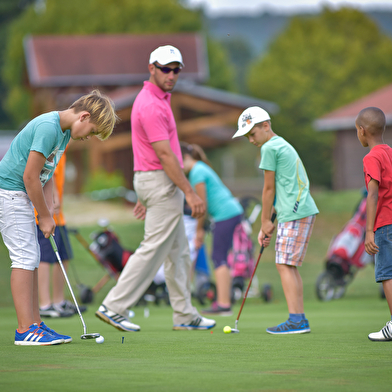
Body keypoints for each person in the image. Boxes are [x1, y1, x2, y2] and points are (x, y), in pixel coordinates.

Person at [95, 45, 216, 331]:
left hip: (154, 181)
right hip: (160, 180)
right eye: (165, 68)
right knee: (153, 248)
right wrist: (189, 191)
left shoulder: (158, 100)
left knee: (179, 252)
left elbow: (147, 153)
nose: (171, 74)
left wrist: (143, 194)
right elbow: (164, 155)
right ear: (152, 68)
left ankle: (185, 315)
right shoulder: (151, 105)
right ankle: (113, 306)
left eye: (176, 69)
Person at [0, 90, 118, 345]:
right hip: (9, 193)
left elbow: (47, 172)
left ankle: (35, 324)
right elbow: (30, 176)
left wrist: (51, 208)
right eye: (92, 131)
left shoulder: (63, 134)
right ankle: (24, 330)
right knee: (24, 257)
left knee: (32, 258)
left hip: (20, 195)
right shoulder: (48, 127)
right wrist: (43, 216)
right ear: (84, 116)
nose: (88, 137)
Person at [233, 106, 319, 334]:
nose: (250, 140)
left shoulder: (270, 147)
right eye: (247, 136)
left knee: (284, 264)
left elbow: (269, 188)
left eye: (252, 134)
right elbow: (283, 188)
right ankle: (298, 318)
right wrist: (269, 222)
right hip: (298, 209)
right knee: (289, 265)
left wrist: (263, 222)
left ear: (265, 126)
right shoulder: (281, 144)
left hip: (295, 211)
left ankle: (296, 320)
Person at [181, 143, 244, 316]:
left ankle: (224, 304)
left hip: (226, 214)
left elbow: (202, 205)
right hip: (229, 213)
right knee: (219, 256)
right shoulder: (199, 169)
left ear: (186, 157)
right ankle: (224, 302)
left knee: (218, 256)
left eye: (179, 162)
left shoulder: (196, 173)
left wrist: (199, 230)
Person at [355, 107, 392, 341]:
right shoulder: (390, 152)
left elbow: (372, 194)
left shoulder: (371, 157)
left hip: (384, 224)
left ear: (362, 131)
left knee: (387, 273)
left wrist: (369, 230)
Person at [37, 152, 86, 319]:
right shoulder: (55, 148)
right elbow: (47, 175)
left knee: (64, 256)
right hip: (44, 215)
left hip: (59, 218)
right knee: (45, 258)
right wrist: (54, 199)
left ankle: (58, 301)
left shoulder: (63, 151)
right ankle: (44, 304)